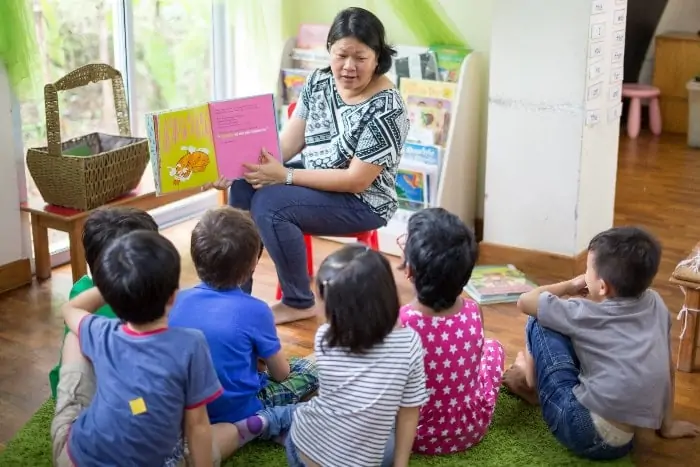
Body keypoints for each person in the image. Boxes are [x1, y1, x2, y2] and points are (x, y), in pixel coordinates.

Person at [207, 7, 410, 324]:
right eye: (341, 54)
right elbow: (285, 145)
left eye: (360, 57)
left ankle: (299, 301)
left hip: (361, 201)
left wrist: (285, 176)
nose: (348, 66)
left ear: (378, 57)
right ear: (329, 49)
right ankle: (234, 293)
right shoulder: (319, 82)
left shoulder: (388, 106)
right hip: (313, 181)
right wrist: (233, 168)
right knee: (247, 184)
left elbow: (357, 180)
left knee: (271, 203)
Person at [504, 226, 700, 460]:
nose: (584, 275)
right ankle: (541, 383)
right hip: (626, 440)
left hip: (581, 430)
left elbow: (526, 301)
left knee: (538, 320)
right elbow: (667, 367)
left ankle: (530, 386)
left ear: (603, 286)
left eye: (587, 270)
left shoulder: (584, 312)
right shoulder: (655, 303)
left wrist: (569, 286)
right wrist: (667, 426)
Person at [50, 230, 226, 466]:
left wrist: (116, 286)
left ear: (112, 299)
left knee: (75, 334)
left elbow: (69, 310)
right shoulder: (191, 345)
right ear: (174, 297)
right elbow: (198, 426)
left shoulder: (102, 331)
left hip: (76, 459)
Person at [168, 206, 319, 456]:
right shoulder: (257, 310)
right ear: (253, 265)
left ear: (195, 258)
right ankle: (267, 420)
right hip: (238, 409)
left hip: (189, 411)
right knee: (310, 369)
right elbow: (281, 373)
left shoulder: (175, 301)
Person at [285, 244, 429, 467]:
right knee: (389, 433)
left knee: (308, 409)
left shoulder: (325, 337)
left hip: (301, 450)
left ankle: (270, 420)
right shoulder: (409, 343)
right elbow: (409, 412)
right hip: (358, 461)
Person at [398, 208, 505, 455]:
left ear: (409, 271)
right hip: (471, 428)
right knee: (493, 347)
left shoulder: (401, 321)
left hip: (416, 434)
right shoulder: (473, 310)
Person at [48, 206, 158, 399]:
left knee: (74, 339)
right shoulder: (157, 304)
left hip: (80, 398)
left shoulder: (80, 291)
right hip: (130, 404)